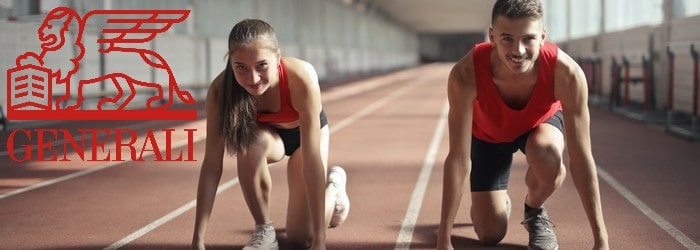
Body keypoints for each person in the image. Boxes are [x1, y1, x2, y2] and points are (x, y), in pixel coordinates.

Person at [437, 0, 609, 249]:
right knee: (490, 234)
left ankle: (534, 210)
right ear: (492, 37)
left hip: (539, 126)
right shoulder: (465, 74)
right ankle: (492, 204)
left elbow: (581, 157)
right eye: (507, 38)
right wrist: (443, 240)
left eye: (528, 38)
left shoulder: (567, 75)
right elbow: (458, 159)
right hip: (487, 135)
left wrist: (601, 240)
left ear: (543, 36)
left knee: (550, 159)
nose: (518, 50)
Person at [191, 19, 350, 250]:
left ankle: (334, 189)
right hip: (269, 138)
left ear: (278, 57)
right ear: (230, 62)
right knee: (249, 144)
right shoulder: (220, 91)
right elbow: (212, 166)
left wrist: (320, 241)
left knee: (301, 239)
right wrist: (198, 240)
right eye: (241, 68)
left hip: (305, 139)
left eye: (261, 65)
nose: (253, 79)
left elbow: (312, 162)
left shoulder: (300, 78)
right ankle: (264, 229)